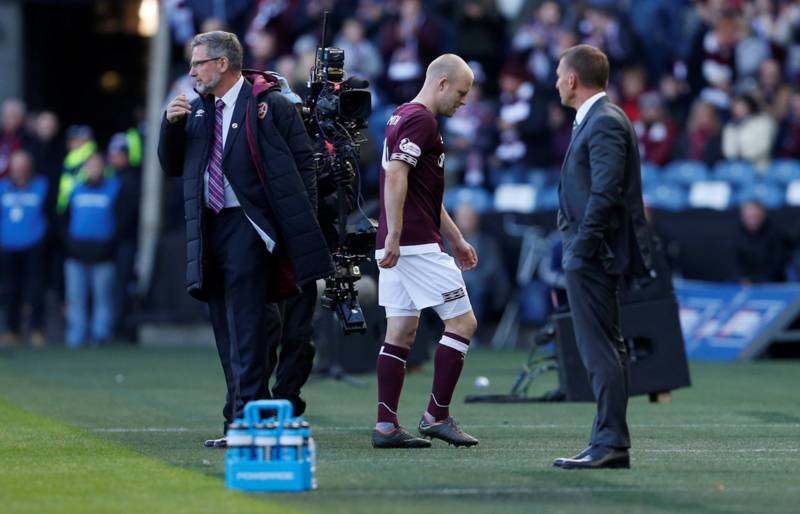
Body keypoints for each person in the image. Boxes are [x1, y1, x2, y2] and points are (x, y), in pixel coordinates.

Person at [157, 31, 332, 448]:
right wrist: (170, 127)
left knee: (248, 328)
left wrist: (296, 228)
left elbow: (303, 166)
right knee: (226, 328)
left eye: (198, 63)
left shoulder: (270, 105)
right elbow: (173, 165)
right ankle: (239, 421)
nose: (191, 72)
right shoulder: (197, 111)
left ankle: (247, 425)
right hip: (209, 226)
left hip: (250, 224)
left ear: (222, 64)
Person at [372, 53, 480, 449]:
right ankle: (437, 416)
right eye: (461, 92)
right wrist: (397, 234)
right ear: (442, 83)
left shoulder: (400, 115)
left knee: (401, 330)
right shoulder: (422, 121)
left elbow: (423, 192)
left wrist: (456, 238)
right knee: (463, 323)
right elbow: (396, 175)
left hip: (400, 241)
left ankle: (386, 425)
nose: (463, 101)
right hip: (414, 244)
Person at [553, 44, 653, 469]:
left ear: (573, 79)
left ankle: (610, 441)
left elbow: (606, 192)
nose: (556, 82)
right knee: (605, 346)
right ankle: (606, 440)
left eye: (559, 75)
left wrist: (582, 247)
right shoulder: (599, 119)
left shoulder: (605, 121)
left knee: (599, 349)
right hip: (594, 250)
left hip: (596, 253)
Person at [62, 153, 120, 348]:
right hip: (77, 251)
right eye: (90, 166)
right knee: (76, 298)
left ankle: (100, 335)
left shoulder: (114, 188)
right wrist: (70, 243)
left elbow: (119, 219)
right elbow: (64, 217)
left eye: (97, 166)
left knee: (103, 297)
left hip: (103, 253)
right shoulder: (75, 189)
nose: (94, 170)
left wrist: (109, 244)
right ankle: (76, 336)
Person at [0, 150, 49, 347]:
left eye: (23, 165)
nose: (19, 170)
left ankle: (37, 330)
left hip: (34, 245)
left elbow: (49, 213)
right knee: (10, 289)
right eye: (16, 166)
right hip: (8, 246)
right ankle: (11, 330)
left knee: (36, 289)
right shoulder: (3, 187)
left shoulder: (41, 186)